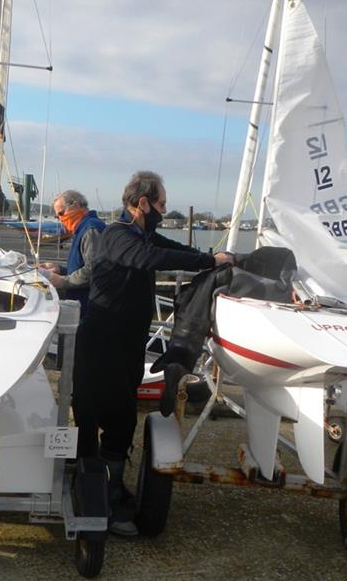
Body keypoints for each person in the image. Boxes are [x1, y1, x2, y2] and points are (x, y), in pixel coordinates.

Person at [72, 171, 234, 536]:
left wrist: (212, 258)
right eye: (160, 204)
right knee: (94, 416)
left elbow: (176, 251)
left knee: (123, 418)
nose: (163, 210)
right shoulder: (117, 236)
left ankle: (108, 485)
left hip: (127, 346)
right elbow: (151, 258)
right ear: (141, 203)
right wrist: (208, 263)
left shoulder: (143, 233)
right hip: (100, 345)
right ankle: (95, 497)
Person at [39, 190, 105, 315]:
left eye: (61, 213)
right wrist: (59, 270)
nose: (60, 219)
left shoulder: (90, 229)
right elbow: (83, 265)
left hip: (91, 306)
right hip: (83, 302)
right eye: (58, 216)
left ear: (75, 205)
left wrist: (63, 281)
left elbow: (94, 270)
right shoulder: (83, 228)